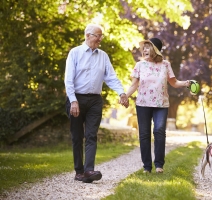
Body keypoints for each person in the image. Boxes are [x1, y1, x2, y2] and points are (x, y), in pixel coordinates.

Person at [64, 24, 128, 183]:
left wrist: (121, 92)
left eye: (101, 36)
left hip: (94, 101)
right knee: (77, 136)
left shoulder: (103, 56)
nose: (100, 39)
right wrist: (73, 100)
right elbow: (68, 79)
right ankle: (79, 171)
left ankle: (89, 171)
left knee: (91, 135)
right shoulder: (75, 53)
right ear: (87, 35)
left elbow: (111, 77)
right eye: (97, 36)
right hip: (76, 99)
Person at [124, 38, 190, 173]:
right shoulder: (140, 65)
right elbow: (134, 85)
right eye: (144, 48)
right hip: (143, 103)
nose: (144, 50)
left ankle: (159, 165)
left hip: (161, 104)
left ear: (155, 50)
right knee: (144, 134)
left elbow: (174, 82)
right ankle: (147, 167)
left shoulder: (165, 65)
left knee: (159, 131)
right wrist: (125, 96)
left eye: (148, 47)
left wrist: (185, 83)